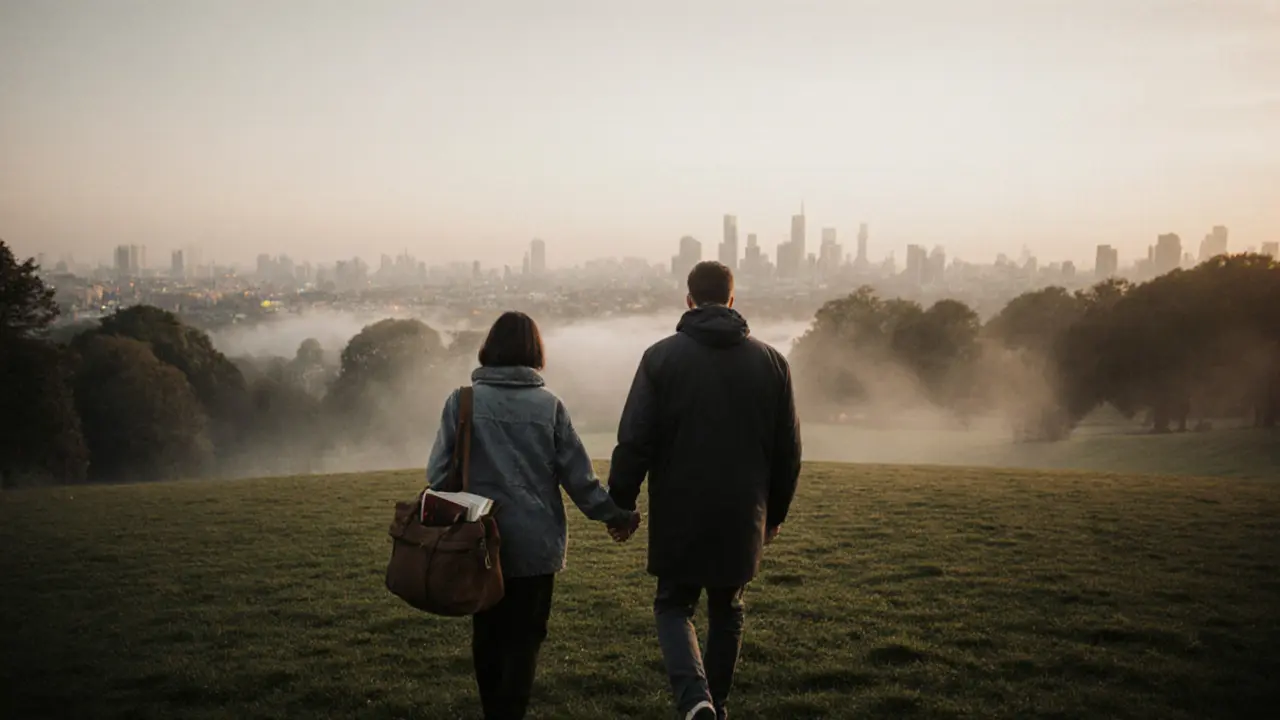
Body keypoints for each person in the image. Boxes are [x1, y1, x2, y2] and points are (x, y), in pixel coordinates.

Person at [606, 261, 802, 720]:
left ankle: (696, 701)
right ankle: (716, 702)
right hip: (743, 510)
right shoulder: (773, 363)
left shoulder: (660, 357)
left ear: (688, 299)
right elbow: (788, 450)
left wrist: (621, 504)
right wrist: (775, 514)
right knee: (728, 606)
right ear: (733, 299)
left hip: (679, 506)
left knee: (674, 605)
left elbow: (636, 438)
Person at [426, 311, 641, 720]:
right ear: (534, 351)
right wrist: (618, 515)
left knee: (487, 634)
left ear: (490, 348)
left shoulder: (462, 402)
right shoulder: (549, 407)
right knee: (525, 640)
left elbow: (437, 475)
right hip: (536, 546)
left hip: (478, 542)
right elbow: (580, 480)